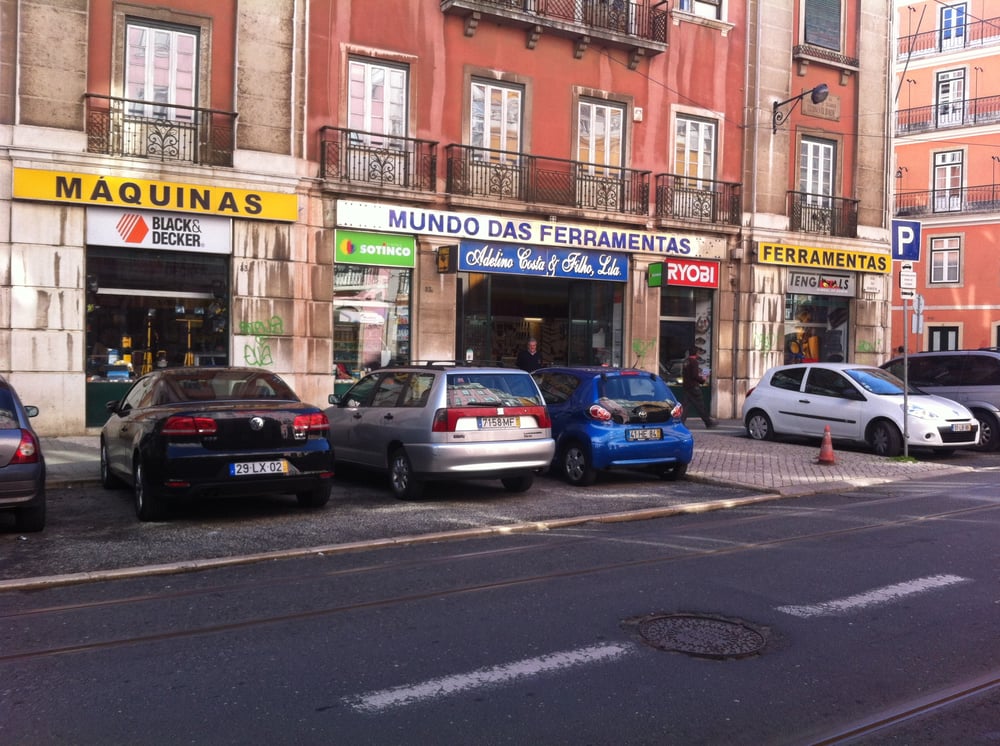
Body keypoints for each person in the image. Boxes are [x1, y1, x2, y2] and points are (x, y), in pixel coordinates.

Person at [682, 352, 716, 428]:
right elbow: (694, 375)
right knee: (700, 406)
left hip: (687, 387)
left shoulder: (686, 361)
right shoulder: (694, 362)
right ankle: (708, 422)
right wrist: (703, 379)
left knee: (685, 406)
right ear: (696, 354)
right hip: (693, 387)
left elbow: (688, 374)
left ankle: (681, 422)